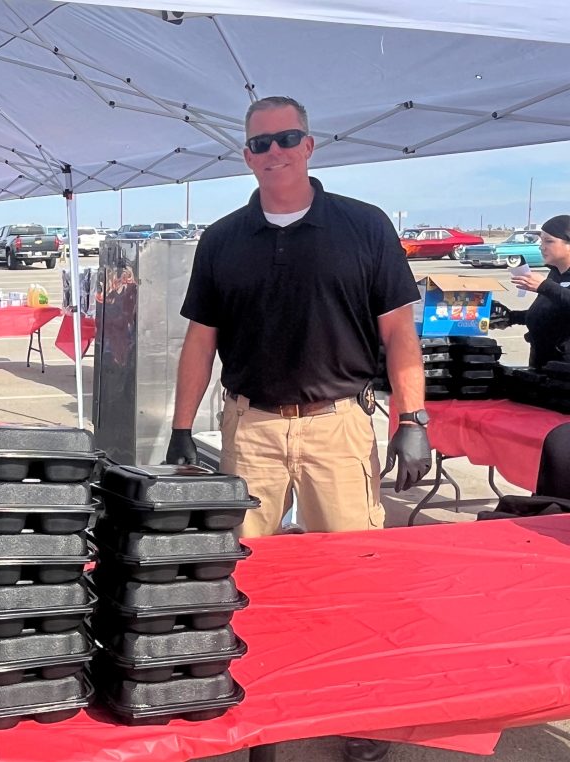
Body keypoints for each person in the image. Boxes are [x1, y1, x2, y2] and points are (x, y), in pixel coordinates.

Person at [165, 96, 432, 762]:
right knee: (239, 583)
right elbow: (200, 342)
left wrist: (414, 417)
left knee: (354, 580)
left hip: (336, 427)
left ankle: (363, 718)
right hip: (249, 428)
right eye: (260, 143)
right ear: (246, 155)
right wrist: (177, 431)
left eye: (286, 138)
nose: (274, 152)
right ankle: (255, 715)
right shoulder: (223, 238)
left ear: (310, 145)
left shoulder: (363, 227)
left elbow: (399, 332)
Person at [490, 215, 570, 368]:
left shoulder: (548, 283)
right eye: (541, 241)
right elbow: (552, 313)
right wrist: (511, 317)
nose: (541, 247)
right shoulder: (555, 274)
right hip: (543, 363)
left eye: (549, 241)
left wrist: (545, 286)